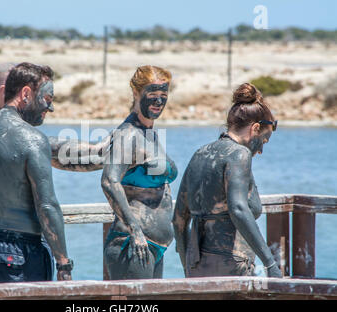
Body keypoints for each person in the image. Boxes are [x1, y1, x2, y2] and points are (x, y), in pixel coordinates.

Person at [0, 62, 74, 285]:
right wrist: (63, 264)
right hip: (20, 253)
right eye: (47, 98)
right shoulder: (33, 139)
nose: (50, 108)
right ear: (26, 93)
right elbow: (47, 206)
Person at [172, 83, 282, 278]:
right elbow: (238, 210)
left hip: (196, 266)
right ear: (255, 128)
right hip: (230, 265)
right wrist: (270, 263)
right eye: (264, 141)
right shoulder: (239, 154)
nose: (260, 150)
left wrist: (187, 267)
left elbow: (178, 220)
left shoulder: (200, 153)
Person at [101, 66, 178, 280]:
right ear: (136, 93)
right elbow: (109, 181)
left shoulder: (149, 133)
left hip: (154, 246)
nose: (159, 102)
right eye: (152, 95)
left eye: (164, 95)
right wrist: (135, 230)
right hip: (133, 245)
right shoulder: (128, 134)